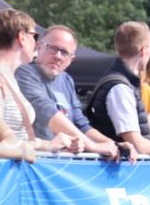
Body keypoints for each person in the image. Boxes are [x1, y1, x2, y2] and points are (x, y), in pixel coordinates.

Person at [84, 21, 150, 160]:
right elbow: (138, 145)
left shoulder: (125, 84)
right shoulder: (120, 88)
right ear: (144, 51)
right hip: (116, 174)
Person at [16, 25, 121, 159]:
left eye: (64, 52)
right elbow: (46, 113)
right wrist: (93, 146)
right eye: (52, 48)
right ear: (38, 46)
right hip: (36, 163)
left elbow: (80, 124)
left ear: (71, 59)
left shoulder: (66, 80)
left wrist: (114, 145)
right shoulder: (25, 72)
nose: (58, 56)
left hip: (64, 164)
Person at [0, 8, 39, 142]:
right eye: (34, 36)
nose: (36, 43)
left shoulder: (7, 76)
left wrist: (54, 145)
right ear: (22, 37)